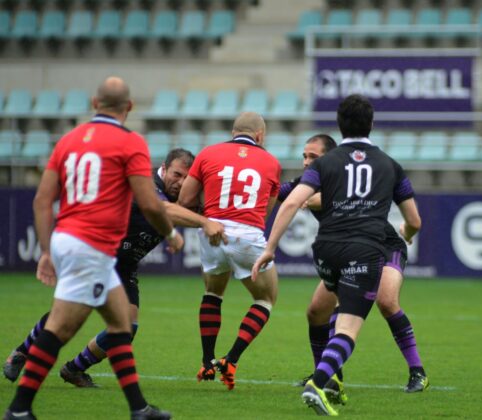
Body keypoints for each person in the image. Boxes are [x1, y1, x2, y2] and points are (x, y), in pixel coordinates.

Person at [3, 77, 184, 420]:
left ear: (93, 103)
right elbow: (148, 201)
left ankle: (139, 409)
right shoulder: (130, 142)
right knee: (61, 328)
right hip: (93, 243)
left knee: (121, 325)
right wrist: (171, 234)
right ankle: (18, 409)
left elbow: (43, 200)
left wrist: (45, 251)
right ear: (129, 108)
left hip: (70, 239)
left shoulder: (68, 141)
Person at [252, 94, 422, 416]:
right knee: (347, 326)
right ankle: (319, 382)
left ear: (339, 126)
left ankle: (338, 379)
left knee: (323, 310)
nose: (306, 161)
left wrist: (269, 247)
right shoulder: (389, 165)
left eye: (309, 155)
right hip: (364, 251)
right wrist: (408, 234)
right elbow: (414, 220)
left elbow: (288, 202)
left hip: (326, 252)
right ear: (371, 124)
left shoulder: (326, 166)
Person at [3, 149, 226, 388]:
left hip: (125, 265)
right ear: (164, 167)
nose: (180, 182)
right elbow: (166, 211)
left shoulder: (179, 197)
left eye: (186, 178)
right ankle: (21, 352)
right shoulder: (148, 184)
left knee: (127, 327)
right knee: (67, 317)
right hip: (100, 256)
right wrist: (204, 222)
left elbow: (193, 211)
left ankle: (74, 369)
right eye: (177, 174)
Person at [284, 134, 428, 404]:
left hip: (385, 248)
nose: (306, 162)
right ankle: (327, 376)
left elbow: (316, 199)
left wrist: (302, 199)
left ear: (330, 158)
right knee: (316, 311)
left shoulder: (338, 181)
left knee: (386, 302)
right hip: (352, 252)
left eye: (312, 157)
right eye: (304, 156)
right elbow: (277, 192)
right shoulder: (311, 179)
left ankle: (417, 371)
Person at [177, 111, 281, 391]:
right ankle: (231, 359)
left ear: (234, 132)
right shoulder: (271, 162)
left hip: (212, 231)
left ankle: (207, 360)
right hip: (248, 234)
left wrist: (209, 213)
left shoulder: (208, 153)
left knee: (213, 293)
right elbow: (266, 211)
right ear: (260, 135)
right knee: (266, 298)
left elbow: (184, 200)